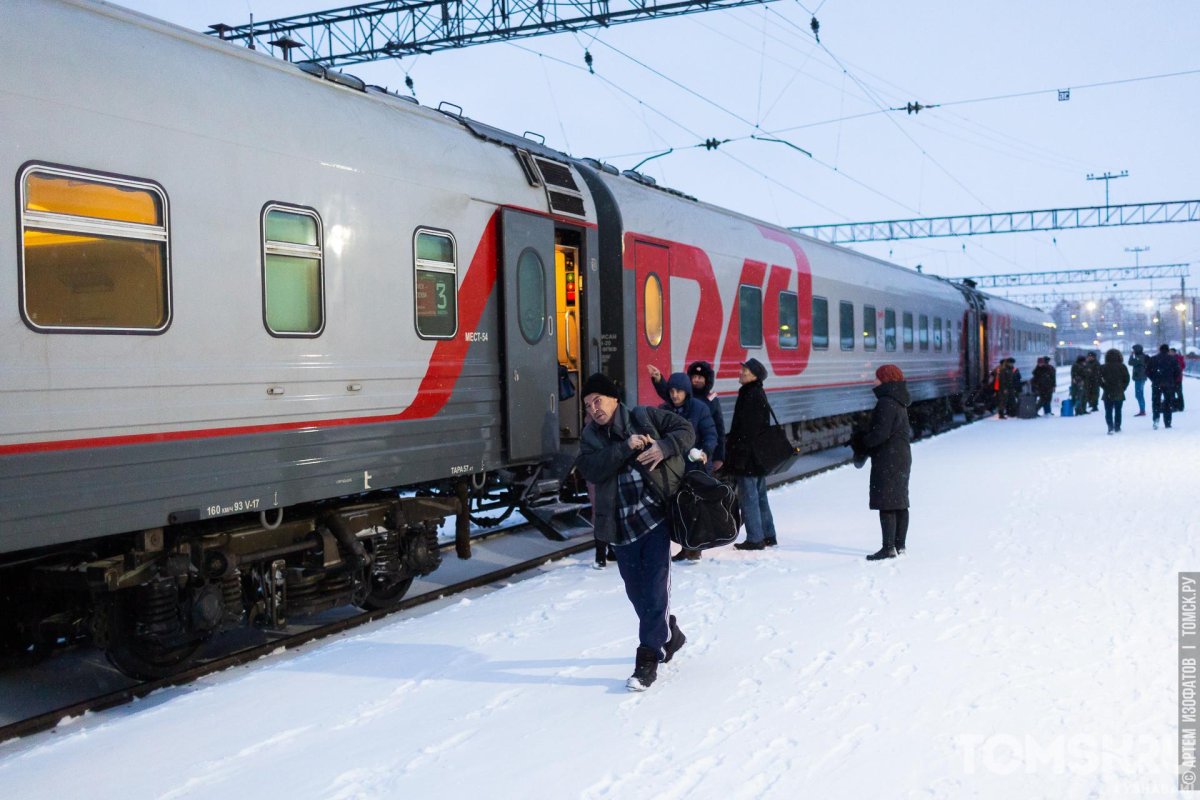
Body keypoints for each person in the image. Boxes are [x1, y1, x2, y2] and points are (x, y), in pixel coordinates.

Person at [576, 373, 693, 691]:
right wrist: (625, 447)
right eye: (588, 404)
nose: (594, 408)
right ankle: (670, 633)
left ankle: (647, 660)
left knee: (655, 591)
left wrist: (664, 447)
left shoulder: (644, 416)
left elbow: (686, 430)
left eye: (598, 400)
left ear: (614, 398)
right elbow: (591, 468)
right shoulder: (591, 436)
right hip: (620, 528)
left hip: (655, 521)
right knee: (636, 593)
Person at [851, 364, 912, 561]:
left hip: (888, 458)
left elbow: (880, 434)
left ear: (885, 380)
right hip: (900, 455)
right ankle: (899, 546)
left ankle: (888, 548)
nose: (873, 382)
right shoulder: (899, 400)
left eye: (877, 378)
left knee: (887, 503)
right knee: (900, 502)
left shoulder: (886, 402)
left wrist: (862, 442)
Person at [659, 372, 717, 563]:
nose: (675, 395)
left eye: (679, 391)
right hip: (673, 468)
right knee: (678, 509)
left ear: (687, 392)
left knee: (694, 509)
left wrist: (706, 451)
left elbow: (710, 433)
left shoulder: (699, 409)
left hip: (695, 465)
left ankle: (695, 548)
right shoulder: (663, 410)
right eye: (672, 391)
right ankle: (685, 546)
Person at [724, 358, 779, 551]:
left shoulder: (750, 395)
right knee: (760, 495)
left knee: (749, 497)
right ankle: (768, 534)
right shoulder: (756, 393)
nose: (741, 373)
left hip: (748, 457)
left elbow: (746, 431)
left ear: (754, 375)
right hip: (757, 457)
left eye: (745, 371)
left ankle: (755, 538)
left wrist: (738, 456)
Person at [647, 360, 726, 471]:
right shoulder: (672, 403)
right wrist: (659, 379)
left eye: (700, 377)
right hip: (675, 463)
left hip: (696, 461)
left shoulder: (707, 403)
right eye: (694, 377)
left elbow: (715, 432)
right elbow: (671, 392)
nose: (697, 380)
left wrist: (714, 455)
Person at [1147, 344, 1183, 430]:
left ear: (1160, 350)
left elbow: (1148, 371)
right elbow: (1178, 371)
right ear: (1167, 350)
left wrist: (1153, 379)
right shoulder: (1172, 359)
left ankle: (1156, 420)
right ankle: (1167, 422)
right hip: (1168, 384)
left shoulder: (1153, 359)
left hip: (1156, 384)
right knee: (1168, 403)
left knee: (1156, 402)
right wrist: (1172, 380)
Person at [1098, 348, 1130, 434]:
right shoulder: (1122, 366)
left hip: (1107, 392)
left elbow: (1098, 379)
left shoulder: (1103, 367)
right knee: (1118, 411)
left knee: (1108, 411)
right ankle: (1117, 427)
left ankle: (1110, 427)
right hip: (1119, 392)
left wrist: (1104, 386)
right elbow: (1127, 379)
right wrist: (1123, 388)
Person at [1128, 344, 1148, 416]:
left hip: (1140, 378)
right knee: (1140, 394)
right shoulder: (1142, 356)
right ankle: (1142, 410)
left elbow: (1130, 363)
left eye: (1134, 350)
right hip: (1140, 377)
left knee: (1139, 394)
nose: (1133, 351)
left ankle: (1142, 410)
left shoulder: (1140, 357)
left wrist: (1131, 356)